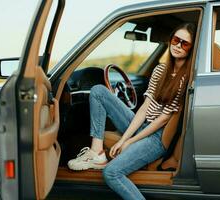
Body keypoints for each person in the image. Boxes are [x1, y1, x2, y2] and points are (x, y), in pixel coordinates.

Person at [67, 23, 195, 200]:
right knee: (98, 91)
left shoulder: (184, 79)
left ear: (191, 49)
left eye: (185, 43)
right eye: (175, 40)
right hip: (142, 124)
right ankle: (97, 153)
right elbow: (144, 109)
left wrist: (129, 142)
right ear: (170, 41)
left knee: (112, 173)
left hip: (157, 137)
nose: (178, 46)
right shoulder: (159, 70)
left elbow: (162, 119)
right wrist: (125, 138)